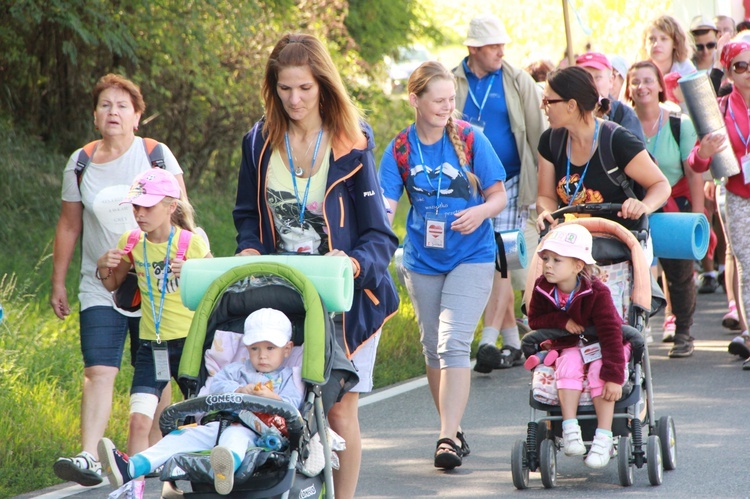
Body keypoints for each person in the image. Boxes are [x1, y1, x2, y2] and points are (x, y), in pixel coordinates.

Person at [232, 33, 399, 498]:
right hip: (282, 292)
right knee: (277, 401)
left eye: (304, 88)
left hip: (347, 296)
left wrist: (350, 261)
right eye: (285, 89)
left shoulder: (351, 141)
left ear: (323, 85)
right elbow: (247, 213)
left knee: (340, 411)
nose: (295, 99)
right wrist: (248, 247)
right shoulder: (258, 141)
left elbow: (380, 237)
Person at [50, 74, 187, 486]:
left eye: (122, 105)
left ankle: (159, 462)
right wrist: (58, 283)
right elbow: (69, 226)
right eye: (105, 105)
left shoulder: (156, 155)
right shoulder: (80, 163)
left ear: (138, 116)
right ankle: (89, 456)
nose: (113, 112)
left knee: (155, 381)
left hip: (154, 283)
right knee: (98, 369)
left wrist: (191, 268)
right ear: (95, 116)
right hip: (100, 281)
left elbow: (183, 217)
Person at [379, 60, 507, 469]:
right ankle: (450, 428)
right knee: (432, 349)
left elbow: (498, 195)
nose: (446, 107)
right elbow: (385, 208)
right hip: (422, 259)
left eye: (451, 100)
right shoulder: (400, 148)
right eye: (437, 101)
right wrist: (373, 246)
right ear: (414, 100)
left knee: (453, 343)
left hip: (472, 254)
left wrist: (481, 213)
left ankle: (446, 438)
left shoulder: (471, 139)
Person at [98, 308, 305, 495]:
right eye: (255, 349)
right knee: (181, 436)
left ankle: (225, 467)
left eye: (270, 348)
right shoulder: (237, 370)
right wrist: (239, 390)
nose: (262, 356)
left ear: (287, 349)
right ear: (247, 348)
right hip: (219, 423)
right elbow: (217, 385)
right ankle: (131, 467)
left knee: (235, 437)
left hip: (255, 432)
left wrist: (273, 398)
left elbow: (294, 403)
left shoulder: (288, 377)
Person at [536, 67, 671, 324]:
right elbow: (545, 196)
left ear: (571, 105)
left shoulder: (616, 140)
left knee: (609, 326)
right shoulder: (550, 142)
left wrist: (642, 205)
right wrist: (545, 212)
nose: (544, 107)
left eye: (548, 101)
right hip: (570, 246)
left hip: (617, 245)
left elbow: (660, 185)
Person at [452, 13, 547, 372]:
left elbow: (538, 138)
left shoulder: (518, 79)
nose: (500, 52)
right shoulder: (452, 79)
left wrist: (540, 191)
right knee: (483, 260)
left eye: (502, 45)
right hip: (467, 186)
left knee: (501, 259)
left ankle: (488, 339)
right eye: (493, 46)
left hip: (509, 183)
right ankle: (511, 341)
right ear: (474, 49)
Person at [96, 168, 211, 458]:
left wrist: (194, 273)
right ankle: (135, 489)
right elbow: (113, 284)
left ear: (171, 206)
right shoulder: (131, 242)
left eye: (147, 207)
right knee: (138, 421)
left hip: (191, 345)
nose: (140, 214)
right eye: (135, 207)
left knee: (200, 420)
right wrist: (102, 267)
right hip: (151, 345)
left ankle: (193, 480)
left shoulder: (191, 242)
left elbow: (218, 287)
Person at [526, 224, 629, 468]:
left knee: (598, 372)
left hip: (604, 347)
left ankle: (604, 437)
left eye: (556, 260)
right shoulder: (543, 288)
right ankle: (570, 428)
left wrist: (615, 376)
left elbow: (612, 334)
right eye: (546, 259)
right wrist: (561, 321)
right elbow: (535, 320)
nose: (548, 265)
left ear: (578, 265)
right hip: (571, 346)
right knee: (568, 363)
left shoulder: (597, 293)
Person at [626, 60, 704, 357]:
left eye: (648, 80)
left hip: (674, 205)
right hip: (635, 206)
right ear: (629, 88)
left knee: (679, 272)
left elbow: (693, 172)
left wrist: (698, 216)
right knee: (635, 271)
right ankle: (635, 331)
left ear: (660, 85)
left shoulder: (678, 124)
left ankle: (683, 331)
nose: (642, 87)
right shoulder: (621, 125)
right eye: (636, 82)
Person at [688, 40, 750, 369]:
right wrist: (705, 153)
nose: (748, 72)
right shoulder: (719, 109)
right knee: (749, 268)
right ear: (727, 71)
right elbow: (696, 164)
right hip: (739, 196)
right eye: (740, 66)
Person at [575, 52, 645, 143]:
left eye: (597, 77)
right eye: (583, 78)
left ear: (611, 80)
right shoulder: (565, 112)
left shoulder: (623, 114)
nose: (590, 83)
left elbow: (636, 152)